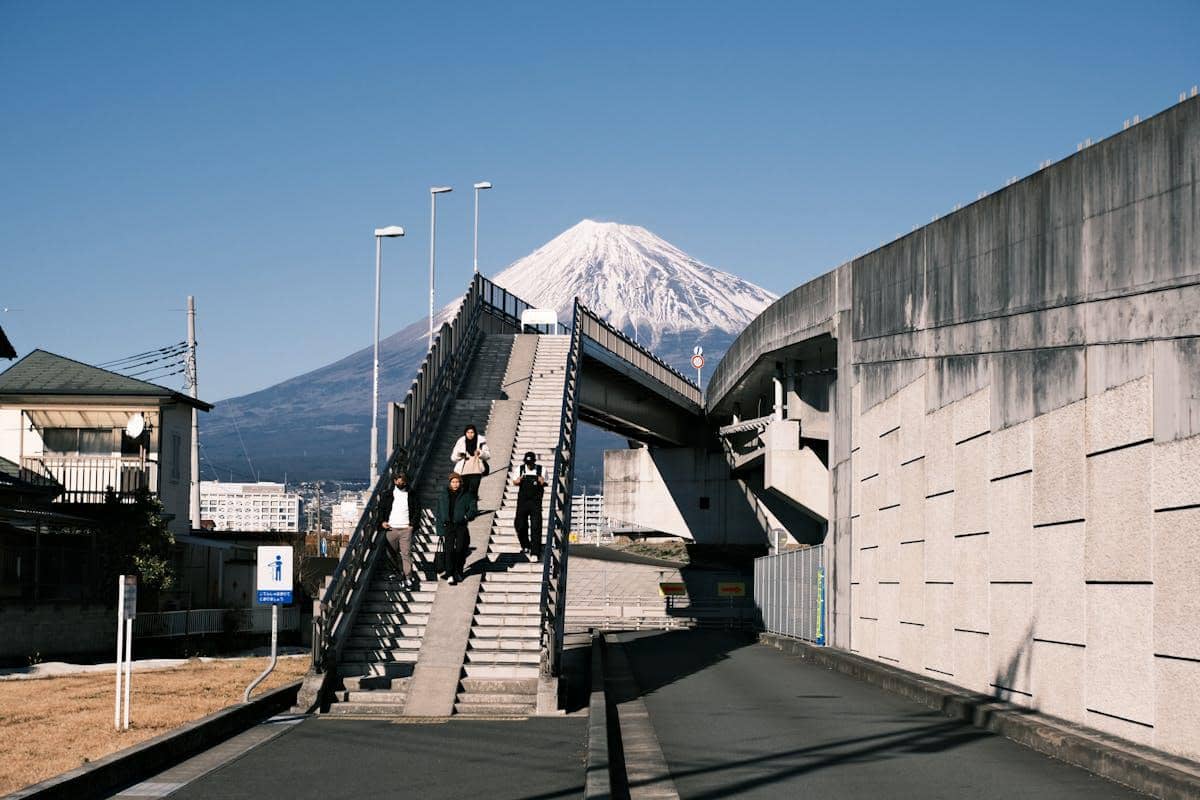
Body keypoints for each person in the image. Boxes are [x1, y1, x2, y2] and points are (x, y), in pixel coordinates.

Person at [435, 472, 478, 585]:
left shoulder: (467, 495)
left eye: (457, 482)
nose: (455, 484)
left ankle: (458, 571)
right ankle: (449, 574)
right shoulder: (444, 495)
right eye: (453, 482)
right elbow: (439, 513)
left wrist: (466, 517)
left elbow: (473, 509)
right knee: (448, 551)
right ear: (449, 483)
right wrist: (439, 530)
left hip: (461, 525)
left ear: (460, 482)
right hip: (448, 526)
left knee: (460, 549)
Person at [378, 471, 417, 589]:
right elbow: (381, 509)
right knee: (391, 553)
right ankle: (396, 573)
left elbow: (417, 510)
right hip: (391, 528)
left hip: (406, 528)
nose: (400, 482)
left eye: (402, 480)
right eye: (397, 480)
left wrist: (412, 524)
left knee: (406, 553)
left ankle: (408, 576)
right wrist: (382, 522)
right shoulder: (387, 494)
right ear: (394, 481)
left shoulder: (412, 494)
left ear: (406, 481)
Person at [512, 451, 546, 560]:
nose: (529, 465)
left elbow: (545, 482)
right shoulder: (520, 469)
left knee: (536, 526)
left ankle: (535, 551)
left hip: (536, 501)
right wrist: (518, 480)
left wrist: (542, 481)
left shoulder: (541, 470)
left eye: (531, 463)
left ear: (534, 462)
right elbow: (515, 481)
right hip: (523, 501)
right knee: (519, 524)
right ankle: (525, 544)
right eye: (527, 463)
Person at [450, 424, 490, 498]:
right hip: (463, 472)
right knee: (464, 493)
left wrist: (480, 453)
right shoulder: (461, 442)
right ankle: (465, 509)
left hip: (476, 472)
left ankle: (473, 509)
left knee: (473, 493)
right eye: (468, 432)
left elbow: (488, 455)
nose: (470, 434)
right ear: (465, 433)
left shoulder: (481, 442)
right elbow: (453, 458)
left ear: (475, 433)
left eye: (472, 432)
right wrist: (459, 455)